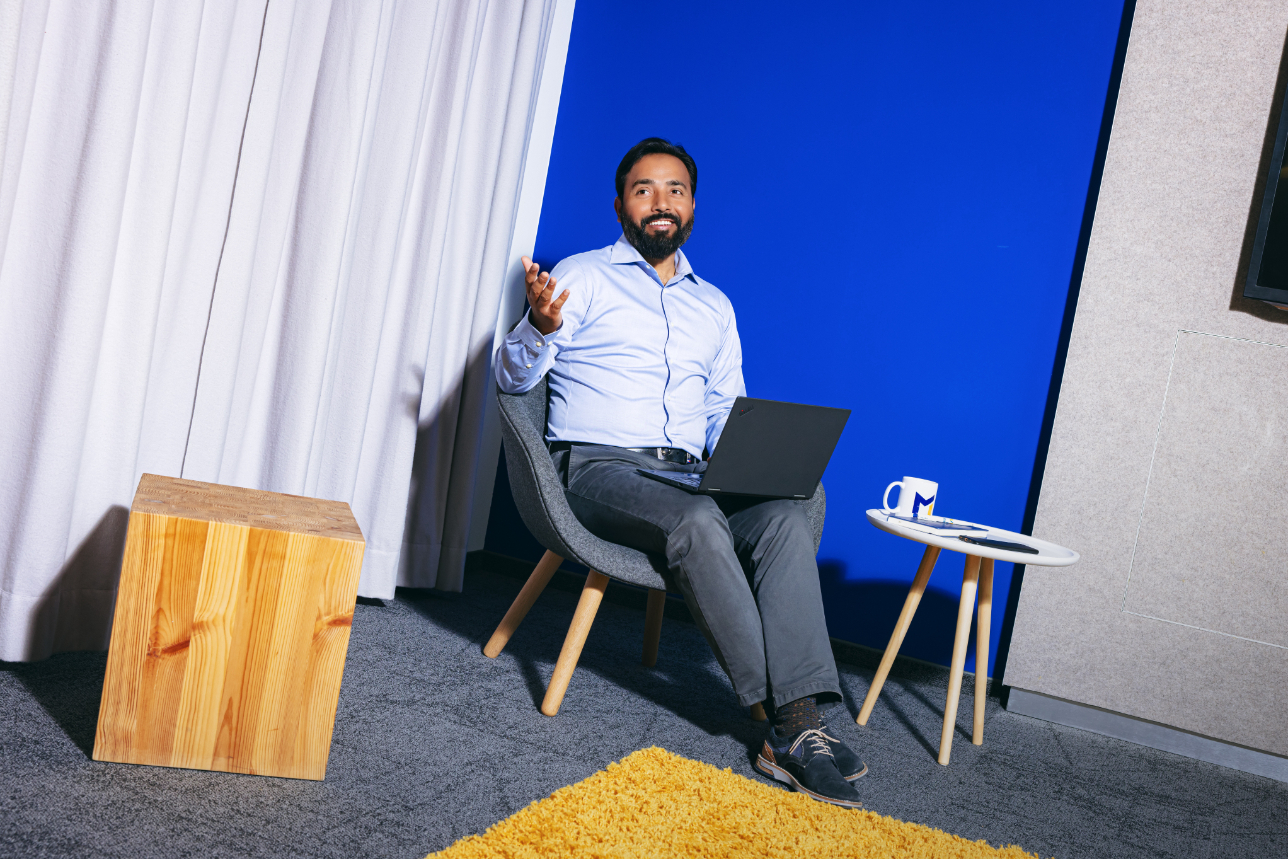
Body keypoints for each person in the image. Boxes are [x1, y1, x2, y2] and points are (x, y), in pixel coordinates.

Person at [494, 138, 866, 808]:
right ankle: (791, 725)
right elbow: (509, 379)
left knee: (782, 517)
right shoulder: (579, 277)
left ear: (692, 205)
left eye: (674, 189)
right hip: (598, 468)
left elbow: (726, 409)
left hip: (692, 474)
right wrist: (539, 328)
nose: (660, 202)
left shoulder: (715, 307)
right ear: (620, 206)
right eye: (643, 190)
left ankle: (797, 720)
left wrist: (758, 463)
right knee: (698, 522)